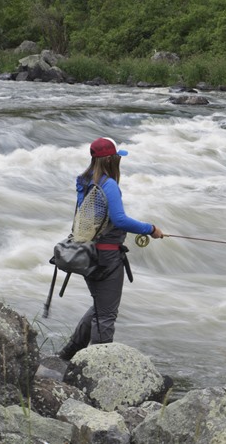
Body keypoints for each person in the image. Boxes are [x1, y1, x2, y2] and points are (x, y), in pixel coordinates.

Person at [58, 137, 163, 361]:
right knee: (106, 315)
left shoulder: (83, 181)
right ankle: (98, 366)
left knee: (99, 305)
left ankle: (69, 353)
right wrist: (150, 228)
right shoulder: (109, 185)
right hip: (107, 257)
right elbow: (120, 220)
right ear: (112, 159)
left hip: (86, 254)